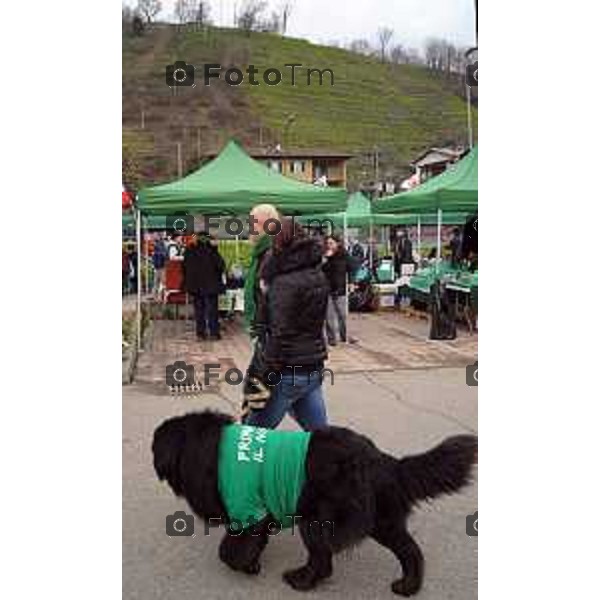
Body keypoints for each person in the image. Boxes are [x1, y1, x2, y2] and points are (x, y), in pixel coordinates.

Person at [243, 218, 329, 431]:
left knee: (251, 436)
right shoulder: (317, 274)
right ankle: (330, 464)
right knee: (320, 439)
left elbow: (280, 334)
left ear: (279, 243)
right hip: (313, 367)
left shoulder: (283, 283)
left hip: (286, 371)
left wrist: (264, 373)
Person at [183, 232, 225, 340]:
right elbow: (221, 266)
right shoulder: (212, 251)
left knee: (199, 310)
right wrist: (215, 250)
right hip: (211, 285)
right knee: (212, 310)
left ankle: (200, 333)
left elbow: (184, 267)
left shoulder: (189, 251)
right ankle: (214, 333)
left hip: (195, 285)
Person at [322, 235, 348, 346]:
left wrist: (352, 282)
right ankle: (331, 338)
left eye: (331, 243)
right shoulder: (324, 256)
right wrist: (325, 259)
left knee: (342, 314)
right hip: (327, 289)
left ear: (337, 243)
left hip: (340, 289)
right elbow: (318, 270)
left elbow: (352, 267)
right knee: (329, 316)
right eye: (328, 243)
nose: (329, 245)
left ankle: (344, 336)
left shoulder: (343, 255)